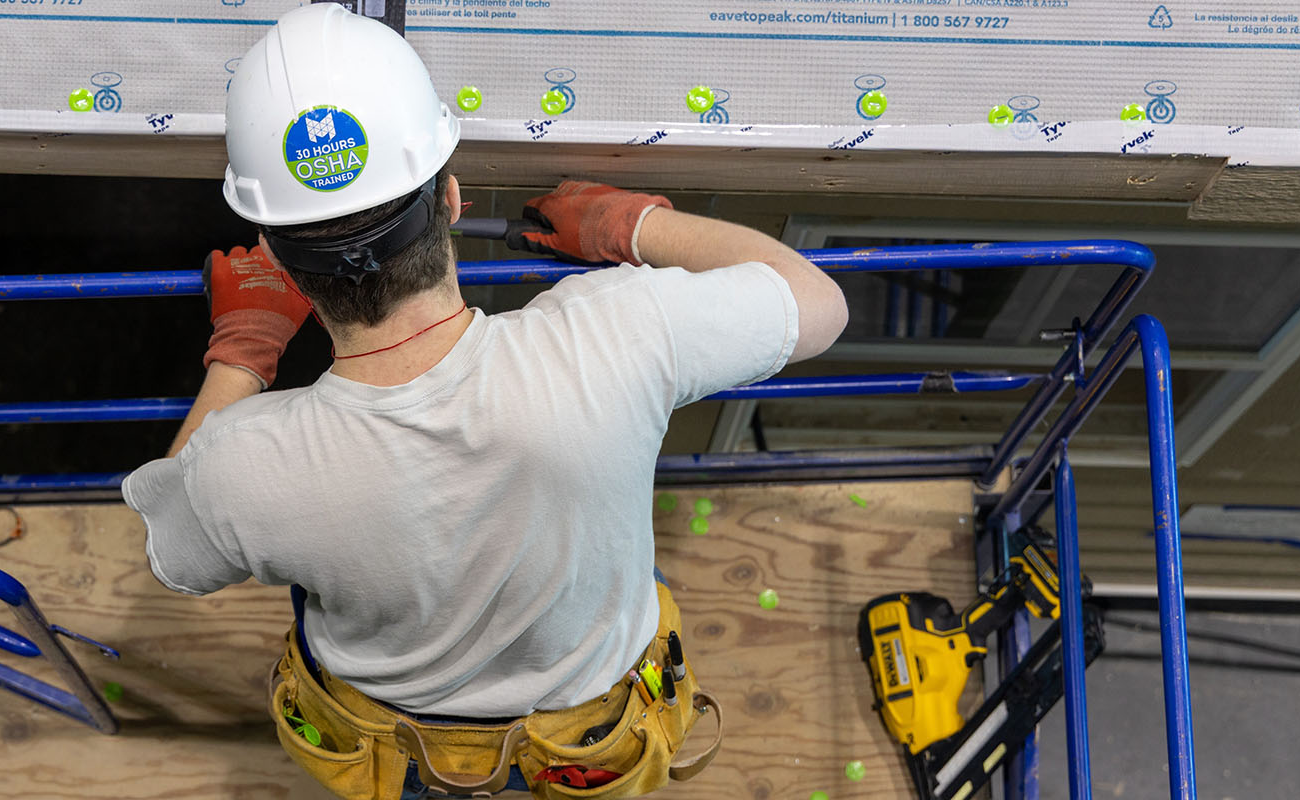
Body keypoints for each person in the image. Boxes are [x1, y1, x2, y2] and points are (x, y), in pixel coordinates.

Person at [122, 5, 848, 798]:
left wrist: (245, 348)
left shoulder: (242, 464)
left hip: (391, 751)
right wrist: (633, 226)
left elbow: (175, 557)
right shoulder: (618, 333)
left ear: (276, 256)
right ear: (455, 198)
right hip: (594, 741)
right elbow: (817, 304)